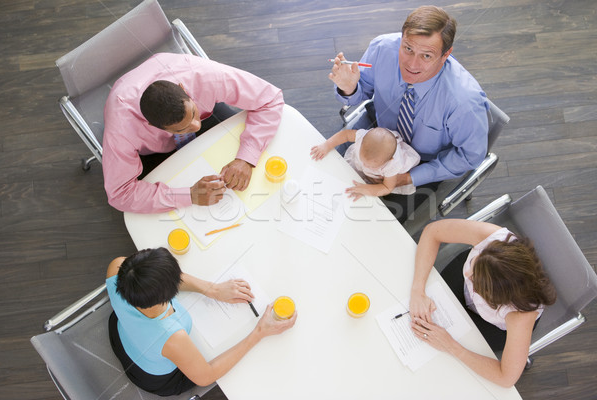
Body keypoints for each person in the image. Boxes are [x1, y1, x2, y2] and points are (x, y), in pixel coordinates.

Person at [329, 6, 488, 219]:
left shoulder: (465, 103)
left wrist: (407, 177)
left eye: (426, 56)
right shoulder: (382, 49)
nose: (411, 65)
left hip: (420, 164)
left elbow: (470, 156)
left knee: (373, 224)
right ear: (402, 38)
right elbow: (362, 91)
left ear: (446, 54)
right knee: (327, 182)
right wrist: (349, 88)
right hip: (375, 138)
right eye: (408, 49)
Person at [102, 52, 284, 213]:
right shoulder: (121, 131)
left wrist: (246, 158)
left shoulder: (204, 75)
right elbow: (119, 194)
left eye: (194, 114)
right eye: (184, 128)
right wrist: (188, 195)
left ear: (183, 88)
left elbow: (270, 98)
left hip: (210, 116)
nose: (196, 126)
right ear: (152, 125)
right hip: (156, 152)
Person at [106, 247, 296, 396]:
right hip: (153, 376)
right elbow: (205, 376)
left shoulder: (118, 267)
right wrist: (259, 332)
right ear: (168, 294)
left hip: (121, 334)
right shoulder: (171, 337)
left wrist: (212, 290)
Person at [408, 219, 556, 387]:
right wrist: (418, 290)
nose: (468, 273)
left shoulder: (521, 315)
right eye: (474, 262)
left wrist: (452, 347)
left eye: (476, 282)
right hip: (467, 289)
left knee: (441, 366)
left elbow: (506, 378)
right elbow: (432, 231)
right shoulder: (493, 237)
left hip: (491, 325)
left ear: (497, 299)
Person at [310, 127, 420, 199]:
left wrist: (366, 189)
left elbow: (387, 187)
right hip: (374, 145)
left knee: (371, 190)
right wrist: (327, 145)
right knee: (343, 174)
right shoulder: (362, 136)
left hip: (382, 176)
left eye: (372, 165)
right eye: (364, 160)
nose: (366, 166)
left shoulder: (393, 164)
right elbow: (346, 135)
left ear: (389, 160)